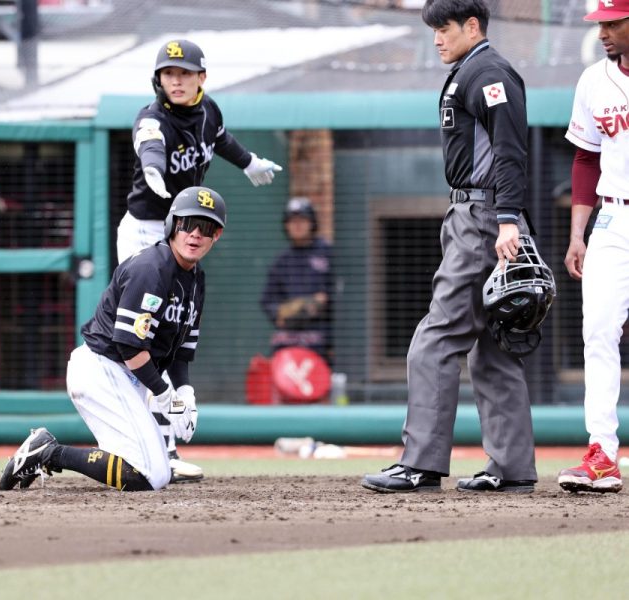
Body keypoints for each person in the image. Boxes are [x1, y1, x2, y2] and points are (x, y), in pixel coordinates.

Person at [362, 0, 538, 493]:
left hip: (484, 218)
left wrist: (507, 220)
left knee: (435, 339)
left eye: (444, 28)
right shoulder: (471, 70)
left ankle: (420, 463)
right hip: (480, 215)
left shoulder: (489, 73)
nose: (437, 37)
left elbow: (510, 151)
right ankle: (512, 469)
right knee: (492, 349)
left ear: (472, 25)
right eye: (434, 29)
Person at [118, 39, 283, 483]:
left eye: (185, 73)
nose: (176, 80)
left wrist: (248, 162)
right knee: (146, 336)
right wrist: (153, 170)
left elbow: (220, 138)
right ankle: (155, 446)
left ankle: (161, 445)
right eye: (169, 73)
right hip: (147, 231)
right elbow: (150, 146)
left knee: (171, 332)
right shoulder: (152, 118)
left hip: (181, 231)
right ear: (158, 79)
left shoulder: (209, 111)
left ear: (201, 78)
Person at [0, 186, 225, 492]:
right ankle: (47, 452)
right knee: (151, 475)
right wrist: (166, 398)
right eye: (188, 224)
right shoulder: (152, 269)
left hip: (126, 378)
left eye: (206, 227)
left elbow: (182, 350)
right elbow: (129, 346)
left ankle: (47, 452)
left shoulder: (196, 279)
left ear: (216, 235)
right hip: (102, 370)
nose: (195, 234)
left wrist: (186, 395)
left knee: (156, 472)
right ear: (173, 224)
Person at [557, 0, 629, 494]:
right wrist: (577, 233)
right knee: (598, 332)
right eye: (599, 23)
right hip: (614, 216)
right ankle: (602, 452)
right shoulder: (593, 80)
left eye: (613, 22)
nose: (603, 32)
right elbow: (586, 159)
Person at [260, 197, 334, 361]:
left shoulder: (328, 254)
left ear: (312, 223)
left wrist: (323, 301)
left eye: (302, 220)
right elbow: (267, 301)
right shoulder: (282, 261)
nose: (297, 225)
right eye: (292, 221)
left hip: (321, 339)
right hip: (288, 340)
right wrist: (281, 312)